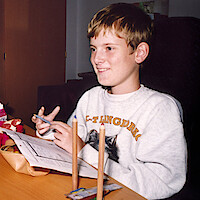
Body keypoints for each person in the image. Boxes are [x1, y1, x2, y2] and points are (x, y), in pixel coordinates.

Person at [32, 3, 187, 199]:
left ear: (139, 53)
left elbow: (164, 182)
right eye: (94, 49)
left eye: (109, 48)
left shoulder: (160, 109)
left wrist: (83, 151)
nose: (97, 58)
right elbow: (70, 145)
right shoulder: (91, 97)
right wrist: (49, 130)